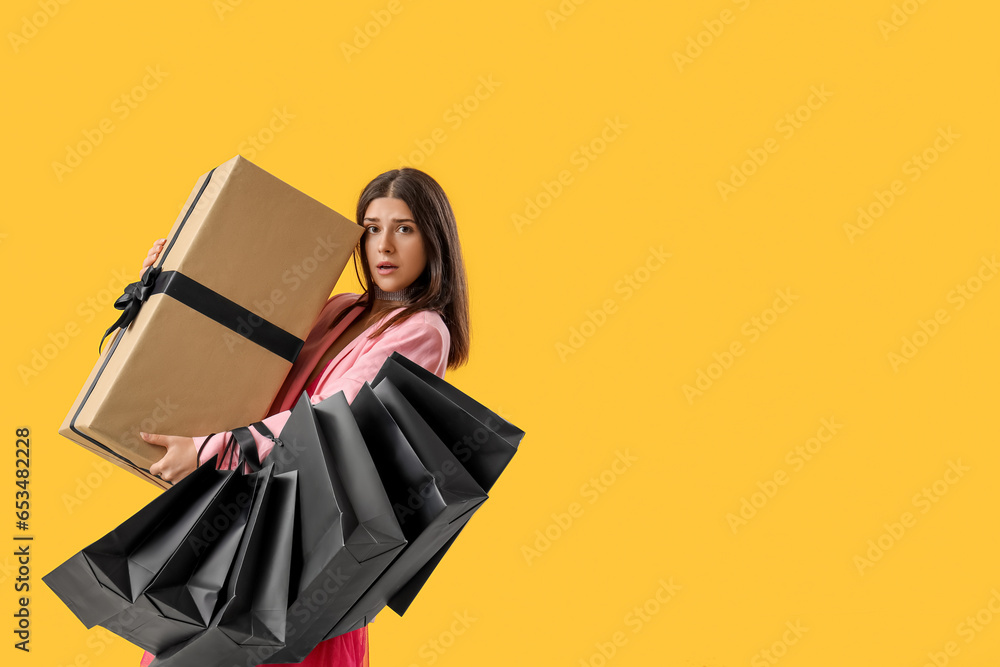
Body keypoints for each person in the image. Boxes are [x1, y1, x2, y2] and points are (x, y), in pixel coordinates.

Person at [134, 166, 470, 667]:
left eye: (404, 228)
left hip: (304, 541)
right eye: (372, 228)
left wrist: (211, 450)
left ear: (433, 239)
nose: (384, 246)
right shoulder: (340, 309)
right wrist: (173, 279)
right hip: (245, 514)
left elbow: (329, 422)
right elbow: (246, 342)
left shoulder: (423, 331)